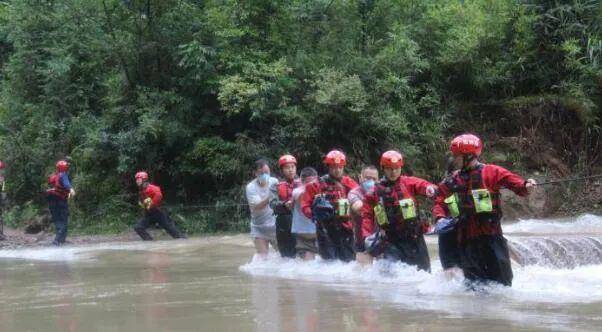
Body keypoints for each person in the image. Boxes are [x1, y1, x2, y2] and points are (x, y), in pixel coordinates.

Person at [433, 134, 536, 287]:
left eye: (457, 156)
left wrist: (527, 184)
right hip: (467, 242)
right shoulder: (452, 180)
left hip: (492, 239)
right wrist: (440, 217)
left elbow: (515, 183)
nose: (454, 159)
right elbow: (439, 200)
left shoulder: (492, 172)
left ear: (469, 156)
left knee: (503, 285)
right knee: (474, 287)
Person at [361, 150, 437, 272]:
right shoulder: (374, 192)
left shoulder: (409, 182)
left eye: (396, 168)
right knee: (394, 276)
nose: (393, 172)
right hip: (391, 241)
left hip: (414, 238)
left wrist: (430, 189)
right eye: (390, 168)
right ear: (383, 169)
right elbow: (367, 216)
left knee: (424, 274)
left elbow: (423, 185)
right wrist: (367, 236)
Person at [301, 150, 358, 262]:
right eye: (334, 167)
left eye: (340, 167)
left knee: (349, 260)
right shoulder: (316, 185)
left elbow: (359, 199)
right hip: (324, 228)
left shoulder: (349, 183)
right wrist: (314, 215)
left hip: (345, 227)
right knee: (328, 261)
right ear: (328, 167)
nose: (337, 170)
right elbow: (305, 205)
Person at [133, 171, 185, 241]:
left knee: (173, 232)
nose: (137, 181)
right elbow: (145, 204)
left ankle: (183, 240)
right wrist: (143, 205)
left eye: (138, 179)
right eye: (136, 180)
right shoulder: (141, 191)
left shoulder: (152, 188)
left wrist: (151, 205)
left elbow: (159, 196)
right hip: (149, 214)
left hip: (159, 213)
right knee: (138, 227)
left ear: (144, 180)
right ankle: (149, 241)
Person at [246, 159, 279, 258]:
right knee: (263, 260)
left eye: (267, 172)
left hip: (275, 226)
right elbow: (258, 206)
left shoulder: (274, 182)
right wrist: (271, 196)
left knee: (284, 258)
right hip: (259, 228)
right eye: (261, 173)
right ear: (255, 173)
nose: (265, 175)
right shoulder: (250, 187)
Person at [270, 154, 301, 258]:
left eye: (293, 167)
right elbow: (272, 203)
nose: (291, 170)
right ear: (282, 169)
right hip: (284, 222)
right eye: (287, 167)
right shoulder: (276, 185)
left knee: (304, 254)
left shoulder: (303, 182)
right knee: (287, 256)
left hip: (301, 221)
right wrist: (284, 204)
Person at [348, 165, 379, 265]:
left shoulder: (381, 192)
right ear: (360, 178)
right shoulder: (354, 193)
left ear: (378, 180)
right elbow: (357, 207)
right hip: (361, 241)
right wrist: (371, 199)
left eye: (374, 179)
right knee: (364, 274)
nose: (371, 181)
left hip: (380, 240)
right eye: (368, 178)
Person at [291, 167, 319, 261]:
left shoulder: (296, 191)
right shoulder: (298, 192)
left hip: (304, 231)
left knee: (308, 264)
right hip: (311, 231)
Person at [46, 160, 76, 246]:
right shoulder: (63, 175)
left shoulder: (55, 176)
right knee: (63, 220)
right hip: (60, 201)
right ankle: (58, 240)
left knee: (57, 220)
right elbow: (66, 184)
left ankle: (61, 240)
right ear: (65, 168)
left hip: (52, 201)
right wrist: (71, 189)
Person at [0, 160, 6, 241]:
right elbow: (3, 188)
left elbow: (3, 188)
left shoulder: (1, 177)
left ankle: (1, 233)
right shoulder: (1, 177)